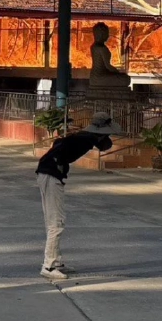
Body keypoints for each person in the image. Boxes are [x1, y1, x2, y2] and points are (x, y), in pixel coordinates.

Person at [35, 112, 123, 280]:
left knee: (53, 221)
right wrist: (59, 163)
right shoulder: (85, 139)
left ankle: (56, 261)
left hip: (49, 173)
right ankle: (49, 265)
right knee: (57, 223)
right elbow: (61, 145)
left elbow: (58, 142)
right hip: (51, 175)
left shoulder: (84, 138)